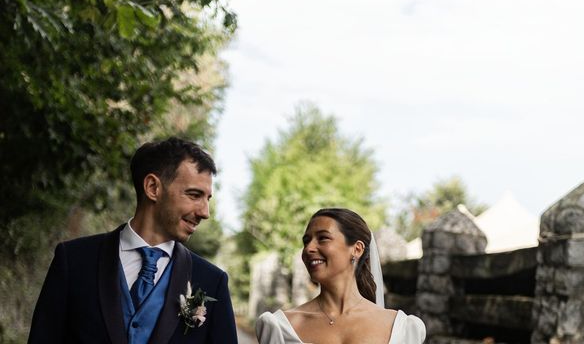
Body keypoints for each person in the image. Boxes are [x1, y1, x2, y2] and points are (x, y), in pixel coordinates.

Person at [28, 137, 238, 344]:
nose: (205, 212)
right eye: (194, 195)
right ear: (152, 188)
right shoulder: (73, 260)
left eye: (207, 199)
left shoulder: (213, 282)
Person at [256, 208, 426, 344]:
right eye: (306, 241)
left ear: (357, 249)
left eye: (323, 238)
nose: (308, 249)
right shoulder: (279, 327)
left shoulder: (404, 329)